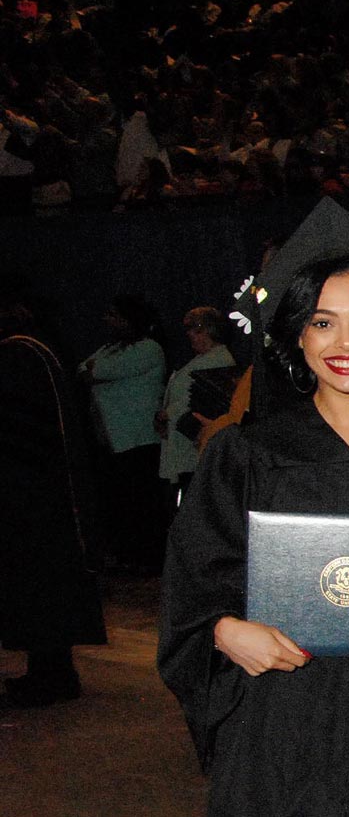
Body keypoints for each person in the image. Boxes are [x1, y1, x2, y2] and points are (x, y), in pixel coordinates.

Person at [156, 198, 349, 815]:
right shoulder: (247, 452)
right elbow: (193, 582)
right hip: (276, 715)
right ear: (297, 332)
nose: (345, 343)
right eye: (323, 323)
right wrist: (222, 630)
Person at [0, 287, 106, 707]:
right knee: (44, 587)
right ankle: (49, 672)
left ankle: (52, 676)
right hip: (48, 492)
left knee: (38, 586)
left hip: (31, 496)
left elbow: (17, 431)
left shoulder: (17, 356)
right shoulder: (40, 351)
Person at [78, 292, 167, 571]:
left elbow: (99, 371)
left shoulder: (148, 348)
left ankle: (147, 558)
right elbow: (82, 369)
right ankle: (127, 555)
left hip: (139, 439)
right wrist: (93, 370)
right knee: (120, 503)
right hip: (113, 440)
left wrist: (95, 372)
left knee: (141, 502)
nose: (109, 321)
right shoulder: (109, 348)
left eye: (115, 316)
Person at [157, 306, 236, 496]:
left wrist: (168, 414)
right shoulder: (201, 360)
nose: (190, 335)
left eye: (196, 329)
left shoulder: (219, 359)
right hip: (183, 439)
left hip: (196, 440)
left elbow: (199, 398)